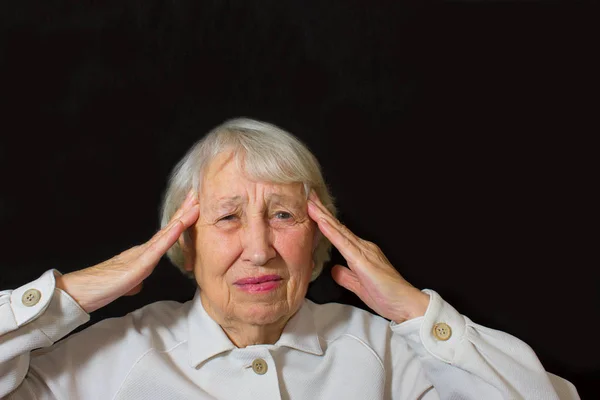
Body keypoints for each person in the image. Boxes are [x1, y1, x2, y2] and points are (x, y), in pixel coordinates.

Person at [0, 118, 580, 400]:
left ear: (321, 233)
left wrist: (414, 310)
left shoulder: (386, 355)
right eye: (227, 217)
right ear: (183, 241)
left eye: (283, 216)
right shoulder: (106, 360)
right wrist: (65, 297)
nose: (260, 249)